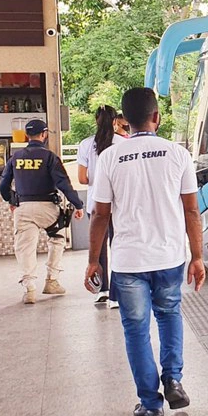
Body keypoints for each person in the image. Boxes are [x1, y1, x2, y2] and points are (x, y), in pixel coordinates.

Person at [86, 88, 205, 416]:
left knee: (136, 329)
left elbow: (100, 215)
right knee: (169, 315)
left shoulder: (110, 157)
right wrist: (197, 257)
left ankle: (150, 404)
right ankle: (174, 379)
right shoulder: (177, 154)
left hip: (128, 262)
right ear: (157, 117)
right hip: (169, 257)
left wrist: (93, 261)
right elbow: (191, 211)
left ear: (124, 121)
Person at [0, 119, 84, 304]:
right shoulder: (49, 157)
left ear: (27, 135)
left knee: (25, 247)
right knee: (58, 237)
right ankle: (52, 280)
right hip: (47, 207)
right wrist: (77, 204)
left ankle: (29, 289)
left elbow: (3, 186)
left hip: (23, 208)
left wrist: (13, 200)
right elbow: (64, 183)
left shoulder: (15, 157)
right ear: (44, 134)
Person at [77, 105, 126, 307]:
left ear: (96, 121)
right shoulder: (123, 143)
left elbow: (82, 178)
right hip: (120, 204)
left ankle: (102, 290)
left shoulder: (86, 144)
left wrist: (97, 178)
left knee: (99, 248)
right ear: (115, 121)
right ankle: (116, 294)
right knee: (119, 246)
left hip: (96, 204)